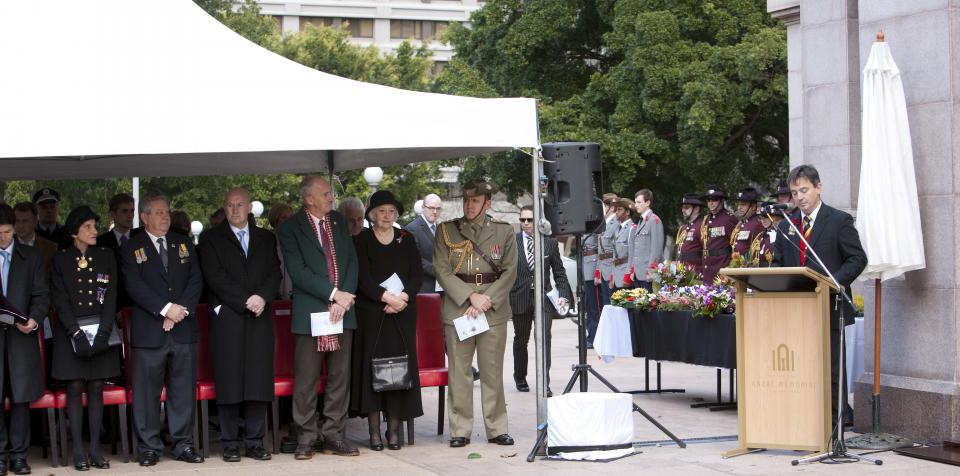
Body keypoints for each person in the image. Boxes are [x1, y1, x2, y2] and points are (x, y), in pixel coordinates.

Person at [773, 165, 866, 429]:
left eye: (804, 190)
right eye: (794, 192)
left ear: (818, 187)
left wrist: (833, 281)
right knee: (801, 368)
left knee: (830, 371)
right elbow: (778, 263)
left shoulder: (838, 221)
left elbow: (858, 258)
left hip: (830, 306)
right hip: (797, 309)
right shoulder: (787, 225)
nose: (799, 197)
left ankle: (834, 425)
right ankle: (805, 422)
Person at [277, 176, 359, 459]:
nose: (331, 198)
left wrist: (344, 298)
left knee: (339, 377)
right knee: (307, 379)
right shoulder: (290, 228)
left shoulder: (337, 221)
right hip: (311, 311)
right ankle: (306, 437)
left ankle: (334, 435)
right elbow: (298, 272)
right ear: (308, 199)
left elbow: (351, 261)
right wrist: (334, 294)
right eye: (325, 194)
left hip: (343, 311)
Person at [433, 178, 518, 448]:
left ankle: (497, 428)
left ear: (488, 203)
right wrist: (471, 296)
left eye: (475, 201)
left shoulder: (504, 231)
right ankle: (460, 429)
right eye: (466, 201)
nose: (469, 206)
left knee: (492, 372)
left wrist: (486, 299)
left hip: (491, 310)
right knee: (459, 372)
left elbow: (510, 271)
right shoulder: (447, 230)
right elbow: (441, 269)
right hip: (459, 308)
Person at [120, 194, 204, 466]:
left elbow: (195, 280)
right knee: (147, 392)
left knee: (182, 389)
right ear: (144, 217)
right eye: (158, 212)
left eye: (167, 212)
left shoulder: (183, 243)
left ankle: (183, 444)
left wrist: (179, 311)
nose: (165, 216)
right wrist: (165, 309)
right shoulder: (132, 247)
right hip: (149, 331)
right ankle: (149, 446)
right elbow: (134, 286)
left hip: (182, 329)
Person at [199, 188, 281, 462]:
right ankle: (231, 443)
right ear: (224, 208)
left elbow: (274, 272)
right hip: (229, 317)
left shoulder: (266, 238)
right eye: (229, 205)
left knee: (258, 380)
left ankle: (256, 441)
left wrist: (262, 297)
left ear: (249, 208)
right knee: (229, 380)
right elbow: (215, 276)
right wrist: (245, 299)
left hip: (259, 315)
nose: (234, 210)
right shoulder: (211, 238)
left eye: (239, 205)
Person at [350, 190, 424, 451]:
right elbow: (362, 278)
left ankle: (393, 432)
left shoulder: (407, 238)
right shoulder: (362, 240)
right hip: (373, 315)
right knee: (374, 373)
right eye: (382, 211)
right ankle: (373, 434)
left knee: (397, 372)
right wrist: (387, 299)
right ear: (372, 214)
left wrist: (402, 297)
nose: (386, 216)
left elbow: (417, 274)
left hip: (401, 315)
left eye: (391, 211)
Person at [50, 205, 121, 471]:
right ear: (74, 232)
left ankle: (95, 450)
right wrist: (76, 333)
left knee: (96, 388)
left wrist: (103, 332)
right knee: (75, 387)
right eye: (88, 227)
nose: (94, 231)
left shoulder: (105, 256)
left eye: (94, 226)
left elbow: (111, 294)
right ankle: (78, 450)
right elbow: (60, 299)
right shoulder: (60, 259)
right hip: (72, 334)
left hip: (100, 331)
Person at [0, 203, 49, 476]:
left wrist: (33, 320)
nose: (3, 238)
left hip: (21, 335)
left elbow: (41, 295)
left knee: (20, 397)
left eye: (7, 232)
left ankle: (19, 455)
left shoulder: (30, 256)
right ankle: (0, 453)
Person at [509, 205, 571, 395]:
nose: (526, 223)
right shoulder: (512, 242)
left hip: (543, 297)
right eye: (522, 220)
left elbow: (560, 273)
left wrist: (563, 295)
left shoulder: (549, 243)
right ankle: (520, 377)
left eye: (529, 220)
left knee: (544, 339)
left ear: (538, 221)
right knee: (521, 340)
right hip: (520, 297)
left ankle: (544, 382)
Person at [96, 193, 137, 309]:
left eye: (132, 211)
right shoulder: (100, 243)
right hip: (113, 306)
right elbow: (100, 280)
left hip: (141, 307)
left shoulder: (142, 239)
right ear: (113, 214)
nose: (129, 215)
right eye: (124, 211)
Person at [404, 193, 442, 294]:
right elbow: (416, 260)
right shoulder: (411, 229)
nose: (435, 212)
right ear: (423, 208)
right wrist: (441, 272)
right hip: (424, 289)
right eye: (431, 208)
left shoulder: (440, 229)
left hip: (441, 288)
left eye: (438, 209)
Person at [628, 189, 664, 290]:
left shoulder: (654, 220)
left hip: (648, 275)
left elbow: (656, 250)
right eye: (635, 202)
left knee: (649, 304)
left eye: (639, 202)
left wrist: (651, 271)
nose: (636, 205)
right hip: (638, 273)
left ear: (647, 203)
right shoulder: (641, 221)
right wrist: (633, 270)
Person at [700, 186, 737, 283]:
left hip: (721, 270)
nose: (711, 203)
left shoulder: (729, 219)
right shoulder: (706, 219)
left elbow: (735, 246)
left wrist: (731, 267)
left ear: (722, 201)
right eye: (708, 200)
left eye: (715, 199)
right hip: (707, 269)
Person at [12, 202, 57, 268]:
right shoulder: (5, 245)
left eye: (25, 221)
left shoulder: (50, 248)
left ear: (35, 221)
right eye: (17, 221)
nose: (20, 226)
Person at [267, 203, 295, 300]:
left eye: (291, 217)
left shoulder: (297, 240)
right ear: (275, 219)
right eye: (284, 217)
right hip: (274, 292)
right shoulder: (267, 240)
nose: (289, 221)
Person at [731, 187, 765, 263]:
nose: (739, 208)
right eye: (739, 204)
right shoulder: (742, 223)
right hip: (739, 266)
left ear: (753, 207)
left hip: (749, 268)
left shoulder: (758, 224)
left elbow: (758, 251)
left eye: (743, 205)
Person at [675, 193, 705, 279]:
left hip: (696, 276)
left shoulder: (702, 226)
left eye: (686, 207)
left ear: (696, 209)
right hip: (682, 276)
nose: (683, 210)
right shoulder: (683, 228)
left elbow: (706, 253)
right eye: (682, 207)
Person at [596, 193, 619, 304]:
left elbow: (616, 250)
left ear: (612, 207)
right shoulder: (604, 223)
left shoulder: (616, 223)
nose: (602, 209)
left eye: (604, 206)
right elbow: (600, 250)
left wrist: (614, 272)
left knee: (612, 302)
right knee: (606, 303)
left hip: (611, 267)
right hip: (604, 267)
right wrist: (598, 271)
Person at [610, 198, 634, 291]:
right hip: (617, 275)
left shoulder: (632, 228)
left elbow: (632, 255)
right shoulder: (617, 229)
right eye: (616, 210)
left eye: (619, 210)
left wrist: (628, 275)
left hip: (625, 274)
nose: (616, 212)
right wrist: (612, 275)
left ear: (627, 212)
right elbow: (614, 255)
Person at [753, 201, 776, 267]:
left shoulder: (778, 235)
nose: (763, 220)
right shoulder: (760, 235)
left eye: (766, 217)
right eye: (761, 218)